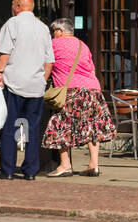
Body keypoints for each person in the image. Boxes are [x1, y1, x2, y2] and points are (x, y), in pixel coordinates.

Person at [44, 19, 115, 178]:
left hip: (71, 90)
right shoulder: (83, 46)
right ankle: (94, 165)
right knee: (92, 125)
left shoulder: (54, 44)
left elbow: (46, 64)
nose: (53, 34)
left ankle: (65, 164)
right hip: (93, 89)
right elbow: (92, 68)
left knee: (61, 124)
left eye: (54, 30)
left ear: (60, 31)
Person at [0, 0, 54, 180]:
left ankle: (8, 169)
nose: (12, 8)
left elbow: (5, 52)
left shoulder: (12, 24)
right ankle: (30, 171)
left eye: (13, 5)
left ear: (18, 6)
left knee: (10, 126)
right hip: (35, 85)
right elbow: (49, 61)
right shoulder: (43, 28)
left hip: (14, 82)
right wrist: (42, 79)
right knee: (32, 129)